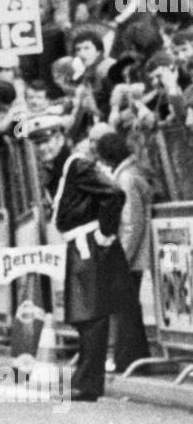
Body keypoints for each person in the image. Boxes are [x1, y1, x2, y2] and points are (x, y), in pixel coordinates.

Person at [34, 117, 128, 401]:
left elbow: (114, 193)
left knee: (91, 315)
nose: (44, 148)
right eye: (39, 143)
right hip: (79, 243)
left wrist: (104, 233)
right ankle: (85, 379)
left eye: (48, 140)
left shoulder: (76, 165)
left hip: (90, 243)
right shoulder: (61, 168)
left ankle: (87, 383)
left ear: (61, 138)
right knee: (84, 315)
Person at [94, 131, 151, 372]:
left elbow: (130, 223)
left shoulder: (126, 178)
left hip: (128, 255)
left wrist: (120, 258)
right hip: (131, 254)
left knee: (125, 307)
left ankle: (128, 358)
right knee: (126, 307)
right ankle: (131, 357)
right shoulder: (131, 173)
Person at [18, 0, 68, 95]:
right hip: (29, 31)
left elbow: (60, 5)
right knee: (28, 69)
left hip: (49, 32)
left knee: (47, 70)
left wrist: (61, 22)